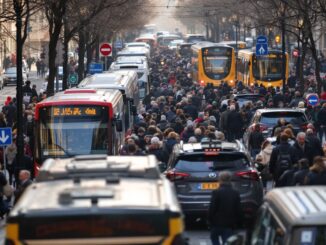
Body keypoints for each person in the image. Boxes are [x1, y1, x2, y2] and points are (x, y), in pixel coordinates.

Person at [208, 171, 242, 245]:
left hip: (217, 223)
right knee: (227, 241)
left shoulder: (216, 192)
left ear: (220, 180)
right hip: (229, 224)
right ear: (230, 179)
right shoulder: (235, 192)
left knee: (214, 237)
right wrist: (238, 223)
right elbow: (238, 210)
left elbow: (212, 208)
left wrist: (210, 221)